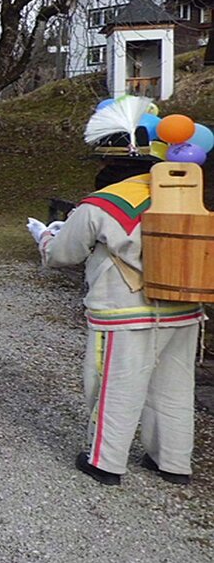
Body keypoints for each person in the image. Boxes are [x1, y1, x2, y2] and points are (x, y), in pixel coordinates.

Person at [29, 103, 203, 487]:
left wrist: (44, 235)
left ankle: (105, 460)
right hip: (184, 305)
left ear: (106, 166)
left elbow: (63, 255)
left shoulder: (101, 204)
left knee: (113, 383)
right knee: (173, 387)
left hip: (124, 309)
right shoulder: (188, 194)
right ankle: (172, 462)